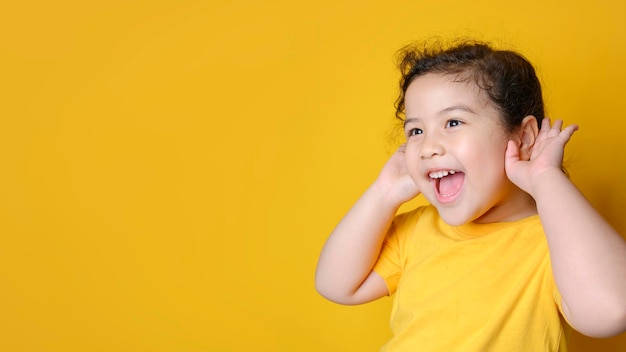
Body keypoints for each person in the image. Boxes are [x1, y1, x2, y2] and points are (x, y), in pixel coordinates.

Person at [315, 39, 626, 351]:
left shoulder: (557, 240)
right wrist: (384, 192)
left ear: (525, 136)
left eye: (452, 122)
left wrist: (546, 177)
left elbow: (611, 311)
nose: (428, 147)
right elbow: (337, 286)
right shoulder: (416, 230)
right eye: (416, 131)